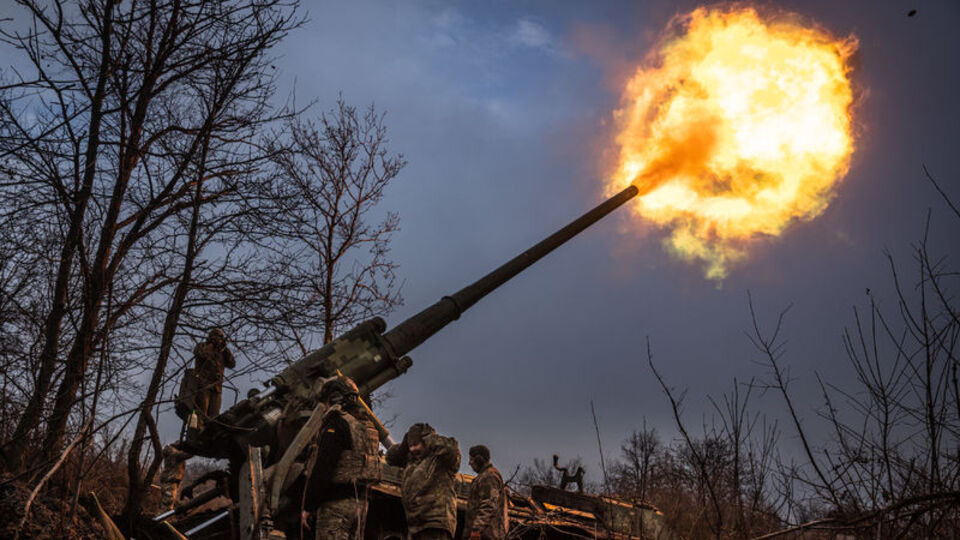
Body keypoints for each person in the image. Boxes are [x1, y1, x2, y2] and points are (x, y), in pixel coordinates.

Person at [303, 376, 383, 540]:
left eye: (325, 402)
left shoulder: (337, 423)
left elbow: (324, 467)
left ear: (334, 397)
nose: (324, 407)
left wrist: (308, 507)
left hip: (336, 506)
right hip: (361, 506)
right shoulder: (369, 426)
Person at [386, 423, 460, 540]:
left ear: (426, 441)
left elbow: (452, 449)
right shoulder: (411, 460)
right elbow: (390, 458)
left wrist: (428, 437)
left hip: (435, 523)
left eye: (416, 444)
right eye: (410, 446)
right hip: (415, 525)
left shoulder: (440, 459)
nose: (413, 449)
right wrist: (404, 446)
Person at [464, 445, 508, 540]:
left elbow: (488, 505)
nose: (469, 463)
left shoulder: (489, 477)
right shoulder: (484, 476)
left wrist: (476, 529)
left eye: (471, 460)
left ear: (479, 459)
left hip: (486, 535)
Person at [192, 328, 235, 419]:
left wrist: (224, 349)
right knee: (201, 413)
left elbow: (232, 364)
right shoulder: (202, 346)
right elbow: (202, 354)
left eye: (221, 337)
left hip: (216, 388)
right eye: (217, 336)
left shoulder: (222, 353)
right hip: (203, 385)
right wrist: (211, 344)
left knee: (214, 416)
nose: (219, 339)